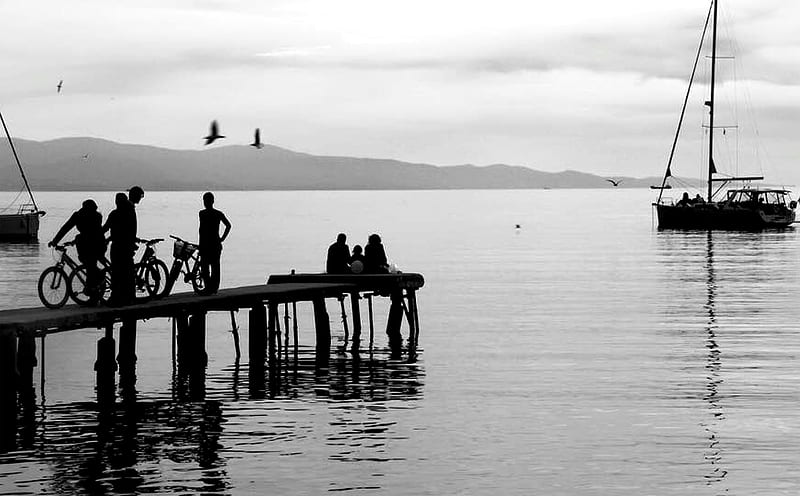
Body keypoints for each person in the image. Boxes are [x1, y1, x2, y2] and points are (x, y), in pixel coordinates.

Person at [49, 199, 104, 303]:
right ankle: (94, 292)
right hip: (95, 243)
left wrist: (55, 241)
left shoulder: (80, 215)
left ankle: (94, 290)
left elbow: (66, 228)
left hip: (91, 244)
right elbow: (91, 232)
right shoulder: (96, 216)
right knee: (90, 266)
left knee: (90, 266)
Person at [103, 186, 144, 305]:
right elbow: (130, 230)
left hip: (117, 247)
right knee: (128, 273)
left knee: (117, 273)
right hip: (126, 247)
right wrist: (132, 243)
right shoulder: (130, 210)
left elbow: (107, 228)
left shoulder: (115, 213)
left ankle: (116, 297)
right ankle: (129, 297)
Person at [198, 191, 231, 294]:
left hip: (209, 245)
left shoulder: (202, 214)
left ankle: (210, 288)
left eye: (206, 200)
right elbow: (228, 226)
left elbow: (201, 231)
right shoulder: (217, 214)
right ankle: (212, 288)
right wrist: (222, 238)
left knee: (207, 268)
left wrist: (222, 238)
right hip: (214, 244)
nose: (205, 202)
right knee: (213, 267)